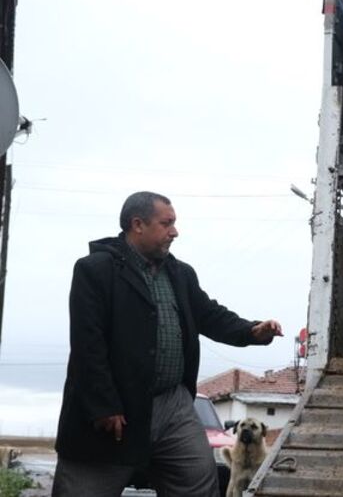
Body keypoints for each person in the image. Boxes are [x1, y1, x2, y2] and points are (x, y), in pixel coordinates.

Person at [53, 191, 284, 496]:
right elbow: (87, 345)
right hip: (117, 407)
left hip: (173, 404)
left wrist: (252, 331)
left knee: (198, 483)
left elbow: (210, 315)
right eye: (167, 223)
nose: (175, 231)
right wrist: (104, 405)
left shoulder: (179, 273)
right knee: (84, 489)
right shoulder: (95, 270)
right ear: (138, 224)